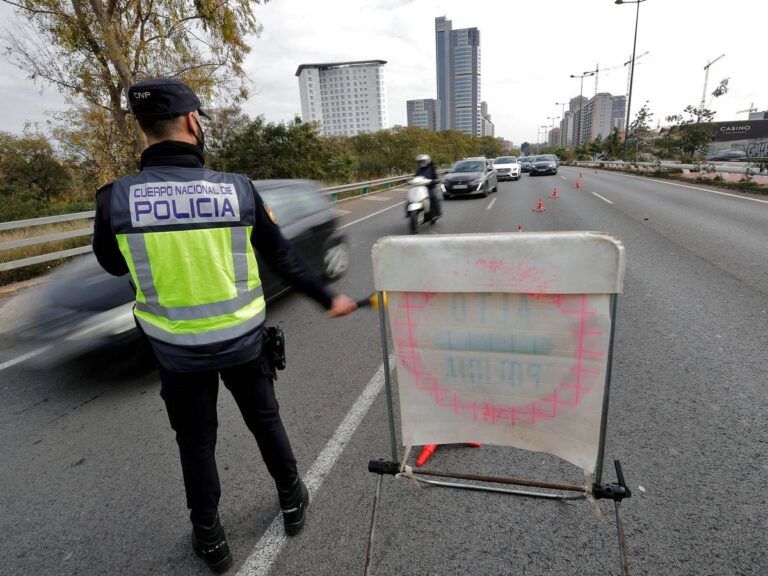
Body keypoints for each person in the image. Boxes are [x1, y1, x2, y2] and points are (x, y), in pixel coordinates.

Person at [92, 77, 357, 573]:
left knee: (196, 443)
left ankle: (210, 537)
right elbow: (285, 258)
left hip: (175, 351)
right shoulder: (237, 190)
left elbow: (112, 265)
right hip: (242, 343)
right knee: (265, 422)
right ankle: (292, 498)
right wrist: (328, 296)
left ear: (142, 129)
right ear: (192, 121)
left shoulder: (116, 199)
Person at [415, 153, 441, 222]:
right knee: (412, 197)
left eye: (423, 161)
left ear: (427, 161)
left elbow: (436, 177)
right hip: (420, 188)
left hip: (430, 187)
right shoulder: (419, 170)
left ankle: (435, 214)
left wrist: (435, 181)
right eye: (420, 162)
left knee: (433, 197)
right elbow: (415, 178)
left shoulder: (432, 168)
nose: (421, 163)